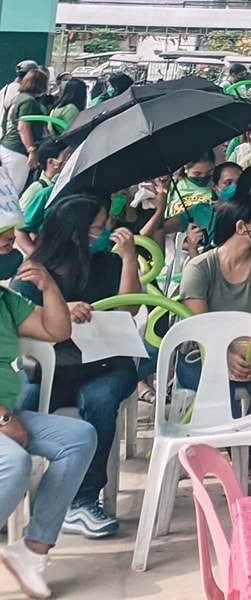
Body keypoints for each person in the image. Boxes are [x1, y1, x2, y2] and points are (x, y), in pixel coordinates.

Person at [12, 195, 139, 539]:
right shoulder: (33, 275)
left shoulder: (105, 262)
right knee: (16, 415)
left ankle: (82, 500)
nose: (106, 233)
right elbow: (20, 326)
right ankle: (9, 497)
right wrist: (59, 308)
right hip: (53, 370)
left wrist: (128, 260)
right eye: (99, 228)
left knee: (100, 404)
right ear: (73, 232)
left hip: (107, 365)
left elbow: (128, 309)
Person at [0, 238, 96, 599]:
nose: (9, 243)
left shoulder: (5, 301)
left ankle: (32, 551)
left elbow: (58, 331)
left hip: (6, 409)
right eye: (1, 237)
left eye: (11, 236)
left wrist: (49, 286)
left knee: (78, 438)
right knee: (13, 462)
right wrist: (5, 419)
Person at [178, 192, 251, 410]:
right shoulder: (199, 268)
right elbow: (199, 326)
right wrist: (223, 355)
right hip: (201, 353)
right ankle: (226, 444)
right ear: (240, 227)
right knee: (222, 399)